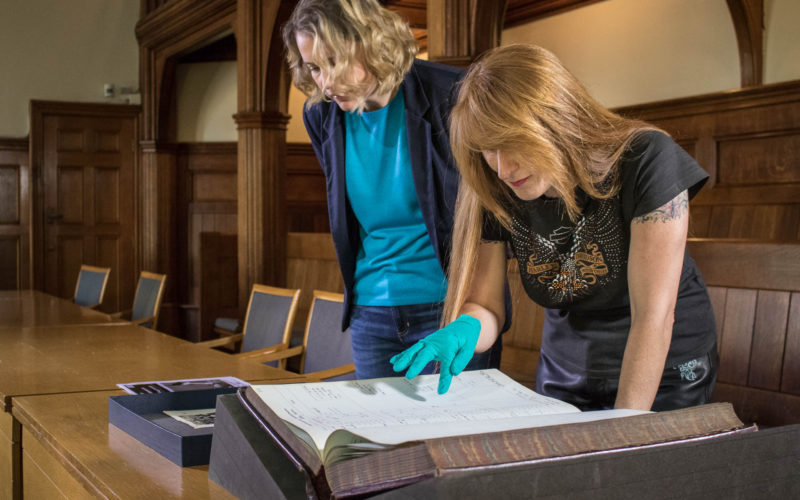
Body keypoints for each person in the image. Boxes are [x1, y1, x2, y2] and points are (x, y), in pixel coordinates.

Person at [392, 44, 718, 410]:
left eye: (511, 144)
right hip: (566, 367)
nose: (502, 168)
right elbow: (486, 305)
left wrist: (624, 430)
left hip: (665, 369)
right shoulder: (496, 186)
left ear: (555, 120)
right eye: (488, 150)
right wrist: (466, 327)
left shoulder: (647, 159)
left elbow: (653, 318)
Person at [282, 0, 505, 379]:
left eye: (333, 61)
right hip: (372, 312)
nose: (325, 82)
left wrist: (474, 312)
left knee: (449, 435)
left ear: (370, 43)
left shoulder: (450, 94)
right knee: (381, 438)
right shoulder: (320, 115)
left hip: (451, 307)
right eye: (314, 67)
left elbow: (488, 207)